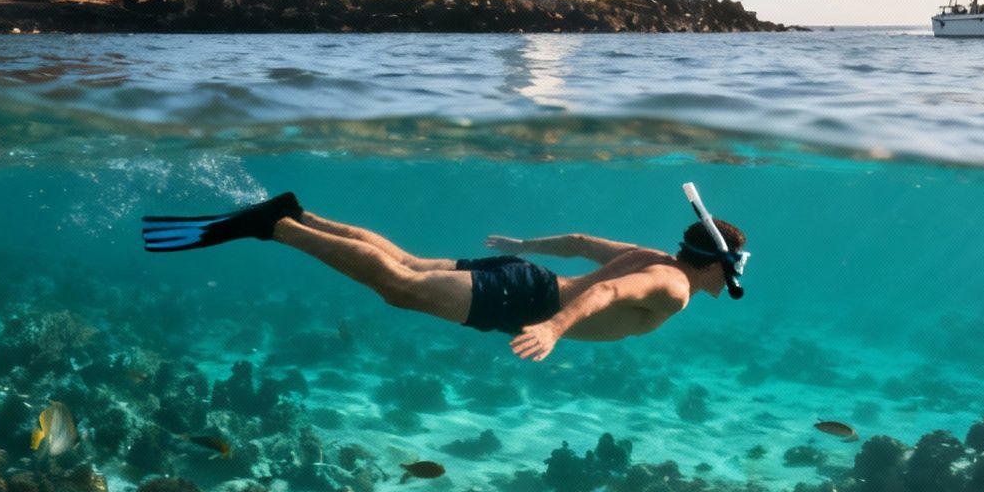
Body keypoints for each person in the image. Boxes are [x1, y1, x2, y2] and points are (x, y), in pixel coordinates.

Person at [141, 188, 748, 361]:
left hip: (524, 276)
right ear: (717, 262)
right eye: (734, 269)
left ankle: (298, 214)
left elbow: (583, 243)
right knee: (399, 288)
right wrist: (557, 329)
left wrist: (520, 245)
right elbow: (611, 290)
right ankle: (276, 227)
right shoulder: (673, 287)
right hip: (528, 299)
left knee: (405, 260)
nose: (731, 281)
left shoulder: (654, 255)